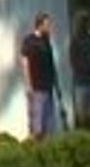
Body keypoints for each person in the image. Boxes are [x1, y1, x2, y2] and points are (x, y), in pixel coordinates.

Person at [18, 11, 60, 139]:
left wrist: (56, 83)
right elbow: (24, 61)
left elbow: (51, 62)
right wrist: (28, 84)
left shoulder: (46, 41)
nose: (49, 27)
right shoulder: (30, 41)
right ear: (39, 25)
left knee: (50, 125)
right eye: (47, 24)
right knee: (37, 125)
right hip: (36, 88)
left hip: (48, 86)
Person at [69, 12, 90, 127]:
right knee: (82, 113)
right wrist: (87, 66)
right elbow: (73, 61)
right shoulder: (75, 40)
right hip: (80, 81)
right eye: (86, 22)